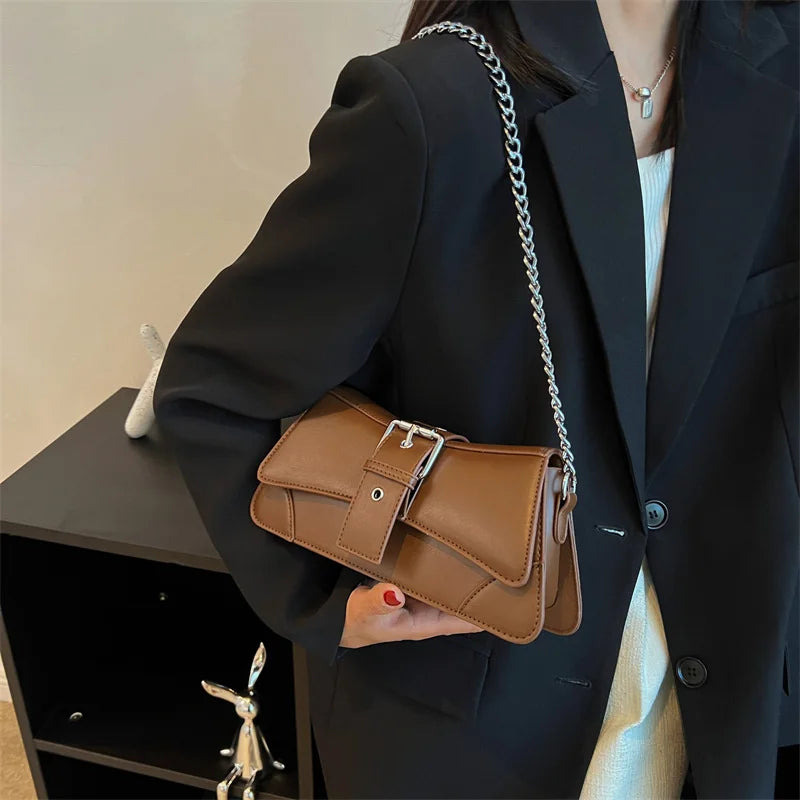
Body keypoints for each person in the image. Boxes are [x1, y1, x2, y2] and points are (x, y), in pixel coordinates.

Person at [152, 0, 799, 797]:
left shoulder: (777, 61)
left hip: (723, 706)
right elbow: (214, 383)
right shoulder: (434, 105)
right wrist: (324, 599)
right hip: (475, 728)